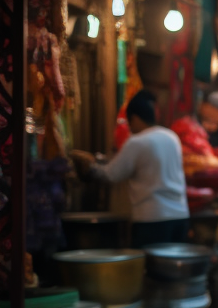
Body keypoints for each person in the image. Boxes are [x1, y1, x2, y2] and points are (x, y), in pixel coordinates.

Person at [71, 90, 189, 247]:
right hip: (180, 216)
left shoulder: (137, 142)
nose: (130, 128)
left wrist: (88, 168)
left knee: (149, 268)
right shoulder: (171, 137)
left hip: (152, 219)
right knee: (172, 268)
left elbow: (111, 174)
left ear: (134, 118)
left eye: (129, 122)